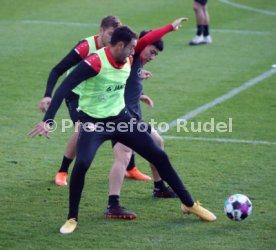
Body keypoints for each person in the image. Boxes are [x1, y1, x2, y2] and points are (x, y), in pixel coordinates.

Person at [29, 22, 216, 235]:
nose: (134, 52)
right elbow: (63, 88)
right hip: (94, 124)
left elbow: (144, 42)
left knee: (159, 156)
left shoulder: (127, 56)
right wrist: (49, 120)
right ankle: (72, 218)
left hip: (121, 120)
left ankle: (189, 204)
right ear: (119, 45)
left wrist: (169, 28)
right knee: (81, 164)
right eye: (130, 48)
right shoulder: (94, 62)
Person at [105, 28, 181, 220]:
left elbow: (125, 85)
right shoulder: (134, 54)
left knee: (157, 143)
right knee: (123, 157)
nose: (153, 57)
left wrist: (140, 95)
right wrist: (171, 27)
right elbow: (145, 40)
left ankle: (159, 187)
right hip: (121, 119)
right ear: (141, 46)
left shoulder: (134, 63)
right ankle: (113, 204)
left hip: (135, 118)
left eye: (156, 54)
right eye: (152, 52)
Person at [38, 16, 122, 186]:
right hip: (76, 94)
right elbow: (57, 70)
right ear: (101, 31)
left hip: (99, 93)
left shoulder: (114, 49)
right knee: (82, 129)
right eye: (110, 34)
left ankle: (129, 167)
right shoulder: (85, 47)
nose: (112, 39)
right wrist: (48, 94)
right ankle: (62, 171)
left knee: (121, 120)